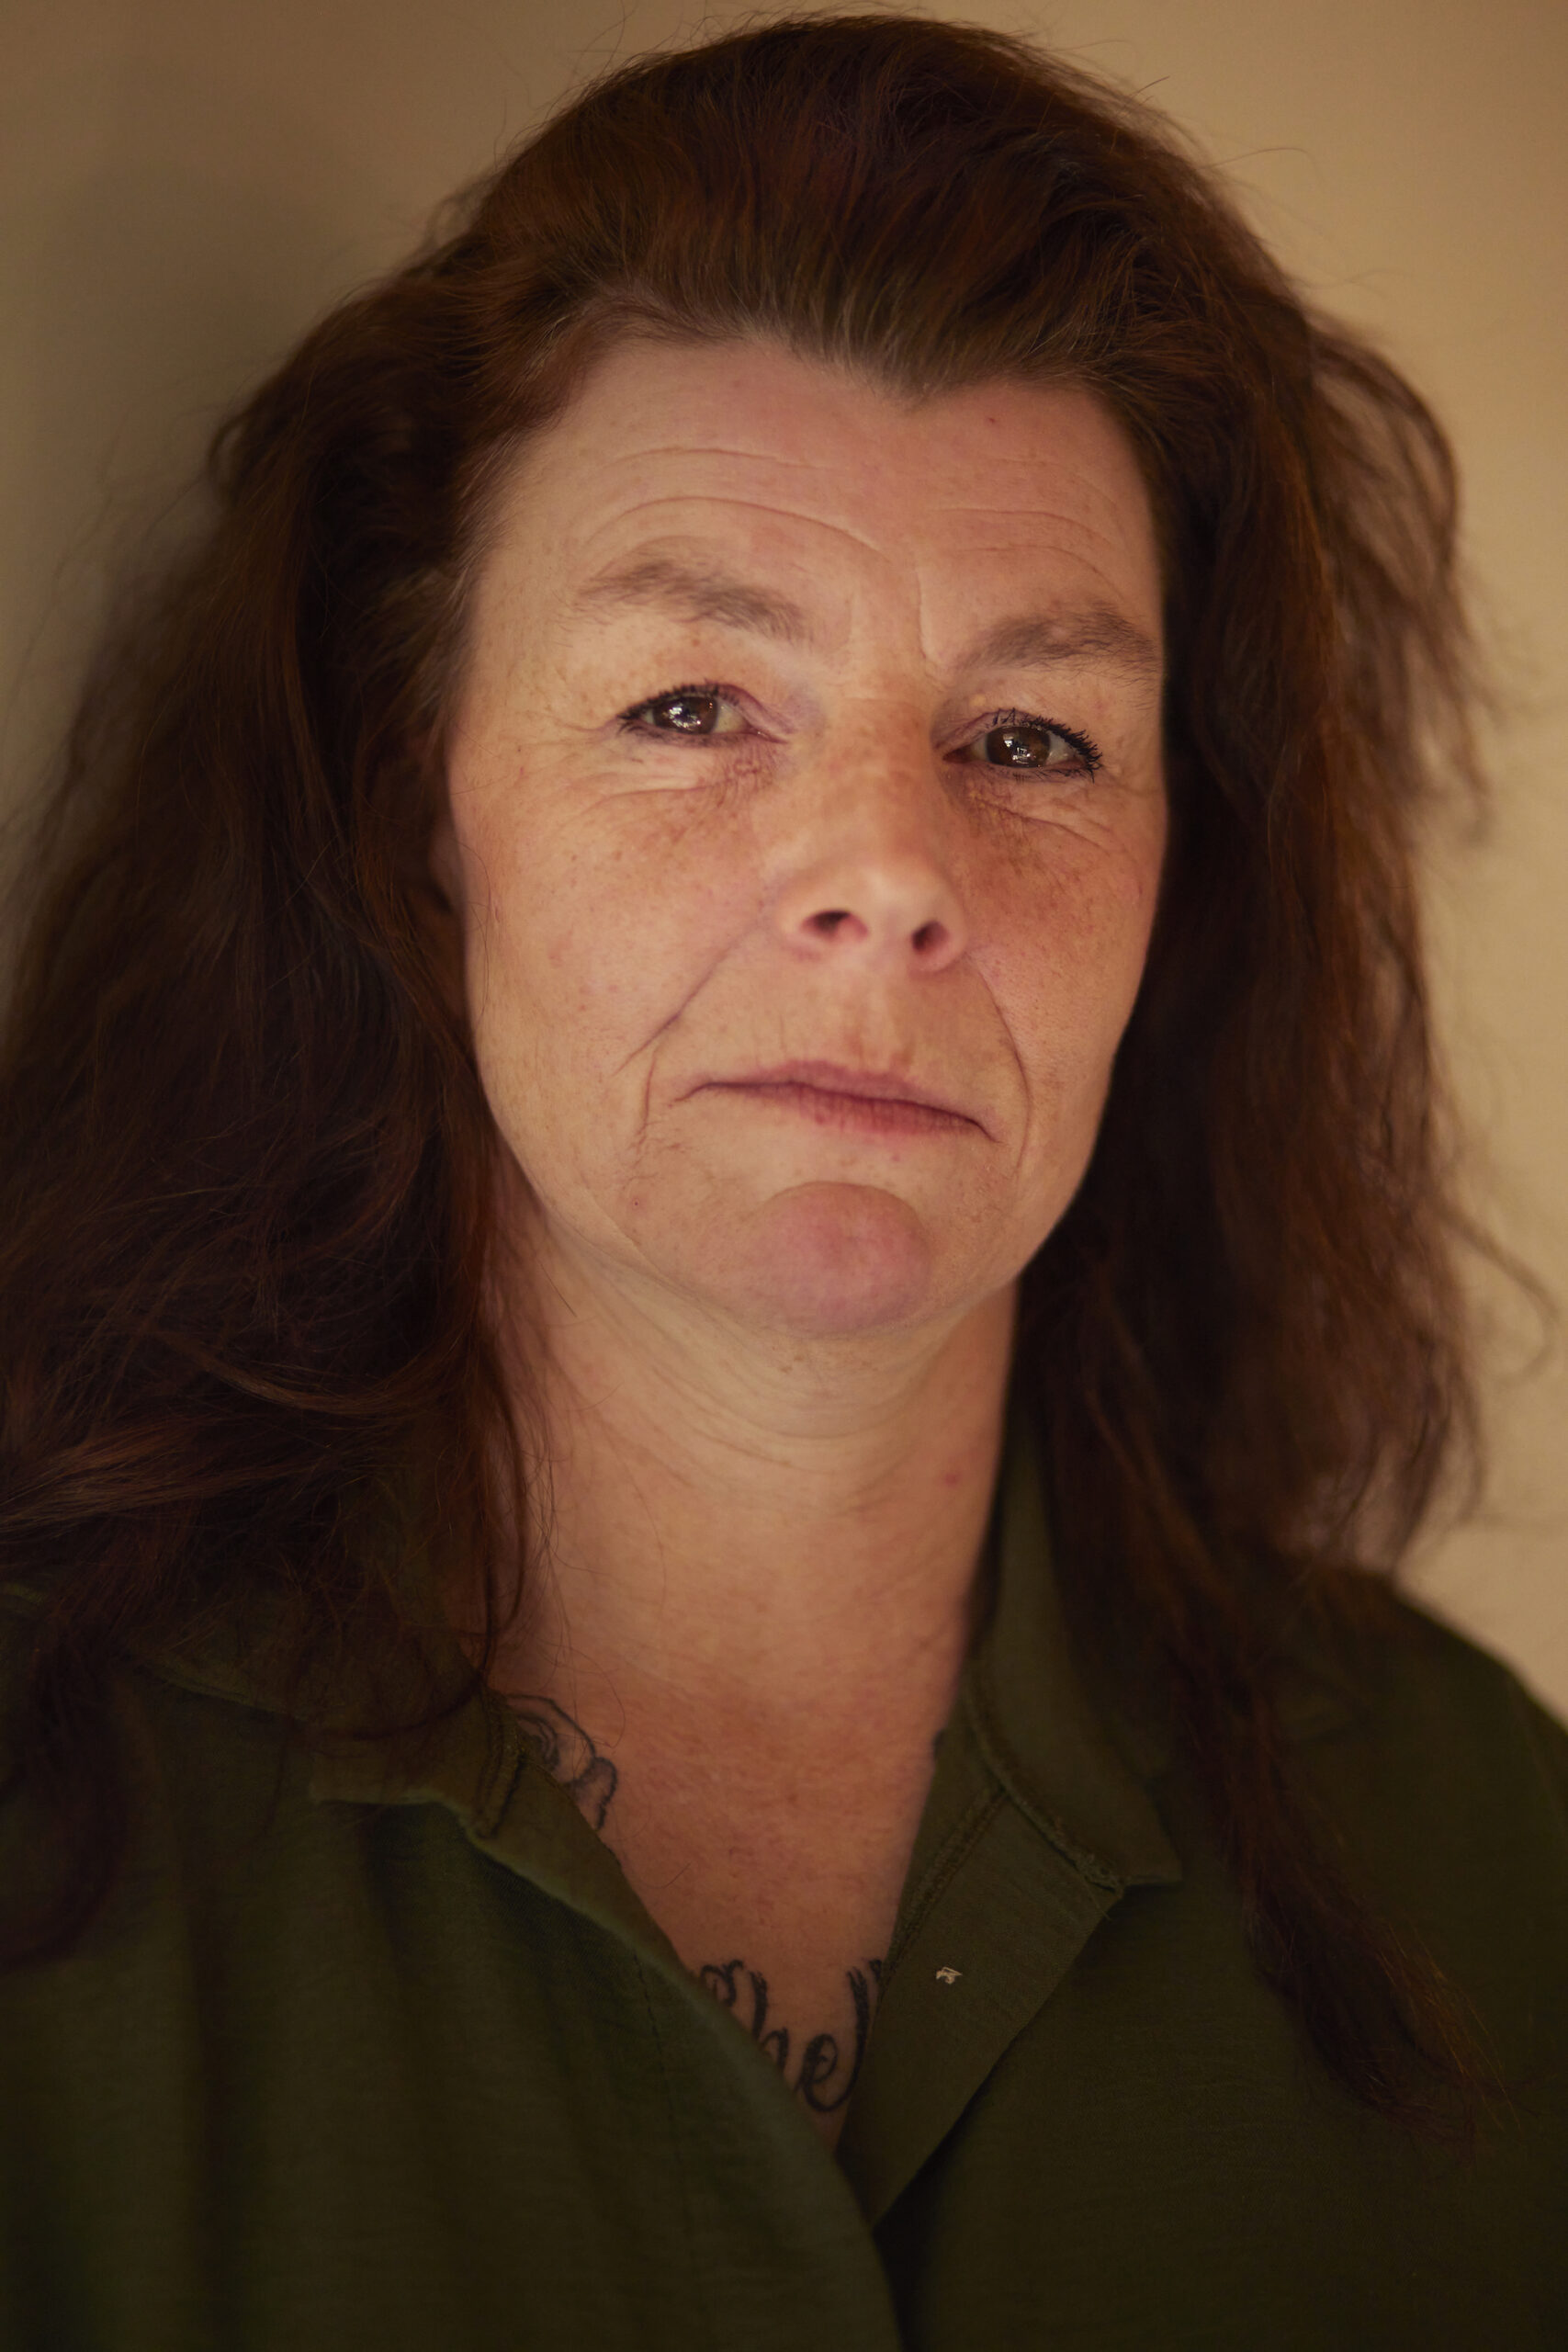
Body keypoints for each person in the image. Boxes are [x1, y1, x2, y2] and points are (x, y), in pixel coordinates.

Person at [0, 14, 1563, 2346]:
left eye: (1030, 735)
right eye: (689, 704)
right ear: (412, 824)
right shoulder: (49, 1796)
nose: (890, 870)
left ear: (1176, 887)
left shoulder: (1480, 1842)